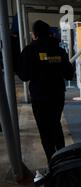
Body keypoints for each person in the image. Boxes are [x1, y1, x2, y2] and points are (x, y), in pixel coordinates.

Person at [18, 20, 74, 162]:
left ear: (34, 34)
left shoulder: (29, 50)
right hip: (57, 95)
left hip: (39, 96)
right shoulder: (59, 50)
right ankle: (62, 159)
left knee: (45, 130)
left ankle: (53, 162)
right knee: (55, 124)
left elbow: (24, 76)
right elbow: (69, 74)